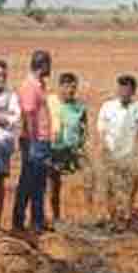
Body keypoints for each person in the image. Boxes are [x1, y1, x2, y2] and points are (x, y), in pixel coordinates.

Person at [97, 73, 138, 228]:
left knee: (130, 185)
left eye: (126, 89)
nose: (123, 92)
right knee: (110, 185)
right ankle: (112, 215)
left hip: (129, 153)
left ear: (133, 91)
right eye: (120, 88)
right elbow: (101, 128)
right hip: (111, 153)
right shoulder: (108, 106)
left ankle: (127, 215)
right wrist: (104, 146)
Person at [11, 50, 54, 232]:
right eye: (48, 65)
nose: (50, 68)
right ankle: (20, 221)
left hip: (40, 139)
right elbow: (28, 114)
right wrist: (32, 140)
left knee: (39, 182)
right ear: (42, 65)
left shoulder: (39, 84)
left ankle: (37, 220)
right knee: (29, 182)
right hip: (34, 140)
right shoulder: (30, 86)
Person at [49, 72, 88, 227]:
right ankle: (54, 217)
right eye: (67, 87)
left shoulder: (79, 107)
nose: (71, 91)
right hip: (53, 149)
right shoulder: (50, 101)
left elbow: (85, 128)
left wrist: (81, 145)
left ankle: (79, 218)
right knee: (53, 185)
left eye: (73, 87)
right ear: (60, 87)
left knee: (76, 184)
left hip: (71, 151)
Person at [0, 59, 21, 229]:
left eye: (4, 75)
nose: (1, 78)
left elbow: (14, 119)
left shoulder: (11, 95)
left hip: (2, 146)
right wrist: (1, 117)